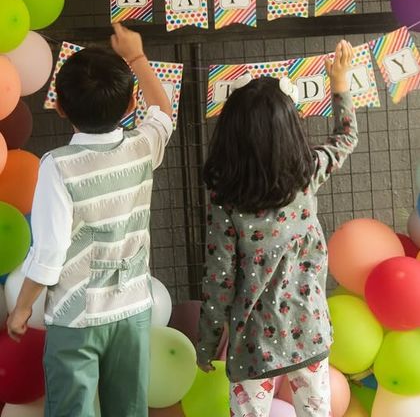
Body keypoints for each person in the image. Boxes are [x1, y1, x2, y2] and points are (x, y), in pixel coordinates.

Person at [7, 24, 172, 417]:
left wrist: (22, 309)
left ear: (60, 107)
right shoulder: (141, 147)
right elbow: (163, 112)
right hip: (132, 310)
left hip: (76, 316)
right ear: (132, 103)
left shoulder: (58, 167)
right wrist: (137, 57)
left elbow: (49, 252)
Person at [197, 41, 358, 417]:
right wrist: (340, 84)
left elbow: (219, 280)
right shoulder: (306, 177)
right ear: (289, 130)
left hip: (254, 345)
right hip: (309, 332)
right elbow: (346, 139)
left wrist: (206, 345)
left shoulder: (225, 201)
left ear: (231, 136)